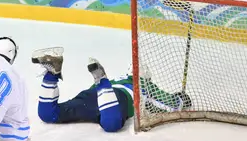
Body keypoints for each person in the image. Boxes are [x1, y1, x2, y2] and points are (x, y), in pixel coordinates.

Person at [32, 47, 192, 131]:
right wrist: (181, 99)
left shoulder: (118, 79)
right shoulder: (144, 84)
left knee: (50, 115)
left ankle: (51, 75)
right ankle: (102, 83)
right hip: (118, 98)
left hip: (91, 94)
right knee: (111, 125)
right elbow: (171, 105)